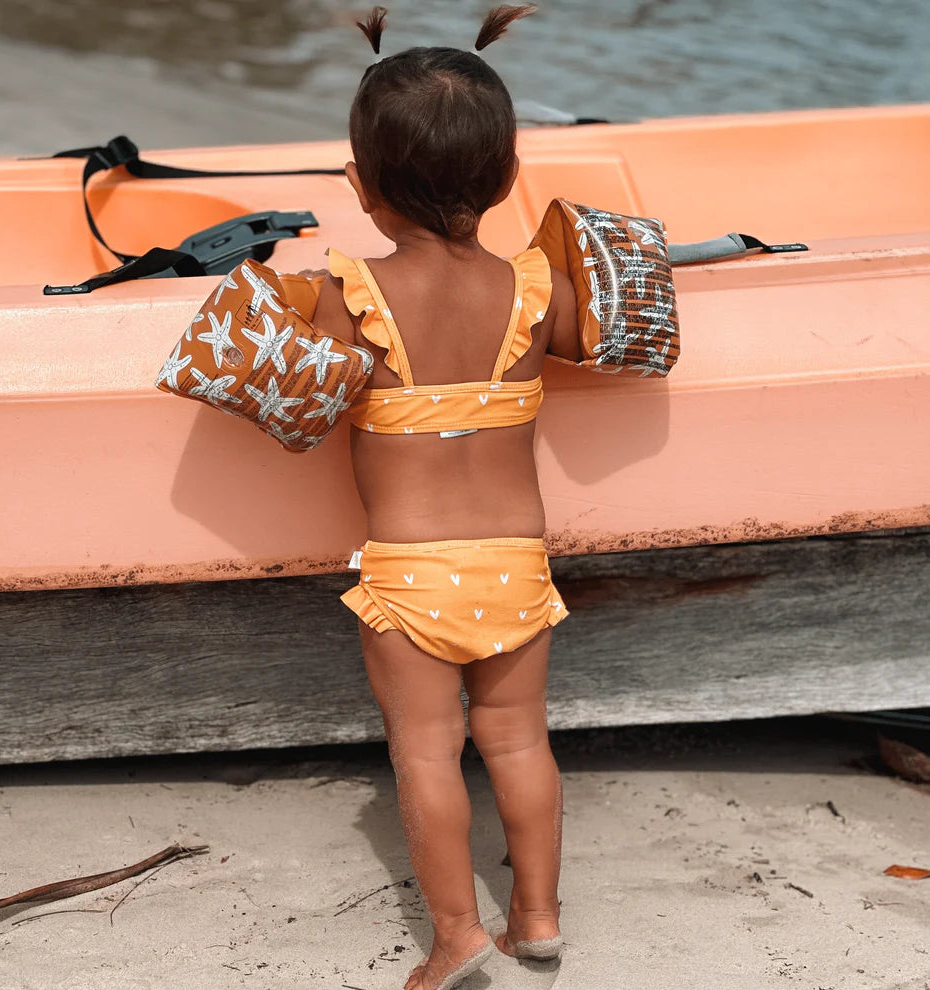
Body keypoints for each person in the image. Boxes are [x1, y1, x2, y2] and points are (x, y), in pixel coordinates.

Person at [311, 6, 582, 988]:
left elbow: (301, 393)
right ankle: (539, 917)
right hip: (517, 562)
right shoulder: (540, 288)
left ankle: (458, 935)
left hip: (409, 574)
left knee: (427, 757)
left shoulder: (349, 291)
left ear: (364, 185)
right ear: (508, 178)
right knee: (518, 741)